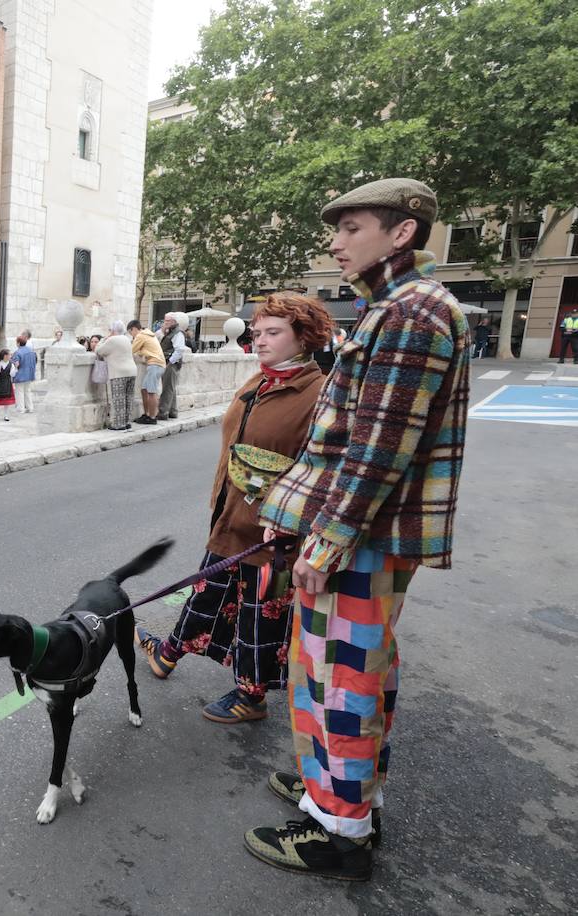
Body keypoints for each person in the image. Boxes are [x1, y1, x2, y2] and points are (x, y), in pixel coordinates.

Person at [243, 178, 470, 881]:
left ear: (401, 234)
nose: (335, 243)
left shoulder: (410, 312)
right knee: (340, 673)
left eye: (351, 228)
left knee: (344, 679)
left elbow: (376, 450)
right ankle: (333, 788)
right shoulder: (400, 306)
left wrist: (327, 540)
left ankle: (340, 830)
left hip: (362, 537)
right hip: (364, 533)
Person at [136, 293, 333, 724]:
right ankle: (167, 653)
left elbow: (321, 469)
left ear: (304, 338)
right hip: (230, 518)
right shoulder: (258, 380)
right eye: (257, 332)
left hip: (273, 533)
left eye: (273, 332)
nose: (259, 340)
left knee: (261, 616)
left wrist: (291, 523)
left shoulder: (321, 395)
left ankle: (252, 697)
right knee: (206, 593)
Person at [95, 321, 138, 430]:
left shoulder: (112, 340)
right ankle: (127, 422)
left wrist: (102, 340)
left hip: (119, 372)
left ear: (113, 330)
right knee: (128, 397)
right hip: (132, 371)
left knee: (119, 398)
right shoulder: (127, 339)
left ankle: (119, 424)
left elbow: (99, 350)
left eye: (110, 330)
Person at [127, 319, 166, 424]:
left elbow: (131, 350)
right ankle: (147, 414)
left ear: (134, 329)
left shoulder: (140, 336)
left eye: (131, 333)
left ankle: (152, 417)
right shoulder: (147, 334)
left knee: (151, 392)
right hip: (156, 364)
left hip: (155, 365)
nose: (132, 336)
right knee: (144, 390)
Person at [157, 312, 188, 420]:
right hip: (169, 362)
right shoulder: (169, 332)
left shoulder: (177, 333)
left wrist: (170, 362)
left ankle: (163, 412)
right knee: (171, 388)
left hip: (171, 363)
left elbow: (179, 350)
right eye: (165, 320)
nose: (165, 323)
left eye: (168, 321)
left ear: (174, 322)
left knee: (167, 388)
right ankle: (173, 411)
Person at [10, 334, 38, 412]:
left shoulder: (18, 352)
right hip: (29, 374)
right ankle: (30, 408)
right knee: (27, 391)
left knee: (19, 391)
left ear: (18, 343)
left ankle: (20, 408)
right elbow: (35, 361)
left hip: (20, 374)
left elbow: (16, 363)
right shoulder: (31, 351)